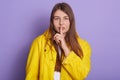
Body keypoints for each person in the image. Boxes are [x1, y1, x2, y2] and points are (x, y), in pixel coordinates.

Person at [25, 2, 91, 80]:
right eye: (57, 18)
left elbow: (81, 75)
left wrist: (65, 48)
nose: (61, 23)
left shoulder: (83, 45)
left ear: (71, 21)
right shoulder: (39, 43)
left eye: (65, 18)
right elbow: (31, 76)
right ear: (52, 21)